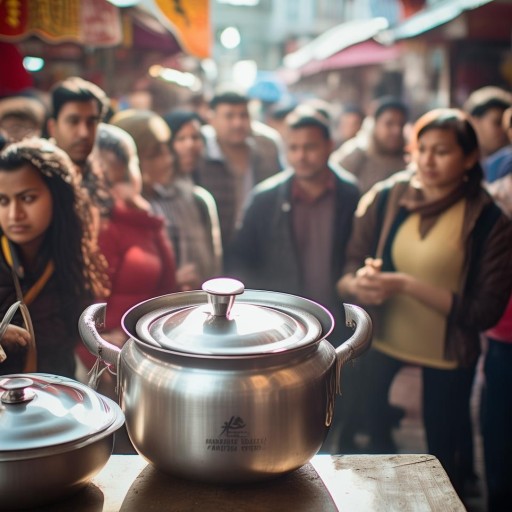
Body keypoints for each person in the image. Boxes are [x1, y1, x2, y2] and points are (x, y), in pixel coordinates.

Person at [335, 108, 512, 497]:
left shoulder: (489, 220)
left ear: (469, 158)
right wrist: (359, 284)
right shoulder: (386, 197)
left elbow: (485, 311)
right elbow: (348, 267)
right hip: (379, 343)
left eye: (442, 151)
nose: (428, 160)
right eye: (422, 149)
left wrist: (406, 285)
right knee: (369, 456)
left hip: (448, 354)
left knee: (444, 463)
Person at [227, 105, 360, 452]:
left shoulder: (351, 194)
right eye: (294, 148)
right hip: (283, 327)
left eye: (311, 146)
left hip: (337, 319)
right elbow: (240, 258)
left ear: (329, 145)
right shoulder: (266, 198)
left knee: (338, 403)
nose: (302, 156)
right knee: (284, 409)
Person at [0, 138, 108, 377]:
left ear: (57, 196)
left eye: (27, 198)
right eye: (3, 201)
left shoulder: (70, 254)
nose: (14, 214)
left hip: (55, 396)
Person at [112, 109, 221, 288]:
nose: (168, 159)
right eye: (155, 153)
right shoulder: (112, 212)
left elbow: (212, 268)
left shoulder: (187, 200)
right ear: (132, 160)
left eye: (166, 149)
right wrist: (170, 284)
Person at [195, 87, 284, 252]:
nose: (238, 123)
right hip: (215, 244)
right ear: (211, 119)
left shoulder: (267, 145)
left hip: (261, 243)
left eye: (243, 115)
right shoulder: (200, 147)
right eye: (229, 116)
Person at [47, 76, 111, 217]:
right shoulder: (38, 178)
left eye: (91, 122)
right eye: (73, 121)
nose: (84, 133)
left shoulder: (106, 176)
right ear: (52, 127)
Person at [330, 96, 408, 194]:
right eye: (389, 124)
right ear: (375, 124)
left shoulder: (406, 161)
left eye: (401, 125)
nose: (396, 131)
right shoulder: (356, 152)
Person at [463, 86, 512, 181]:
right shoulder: (458, 163)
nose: (504, 130)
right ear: (474, 122)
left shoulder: (507, 163)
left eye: (507, 124)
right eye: (497, 123)